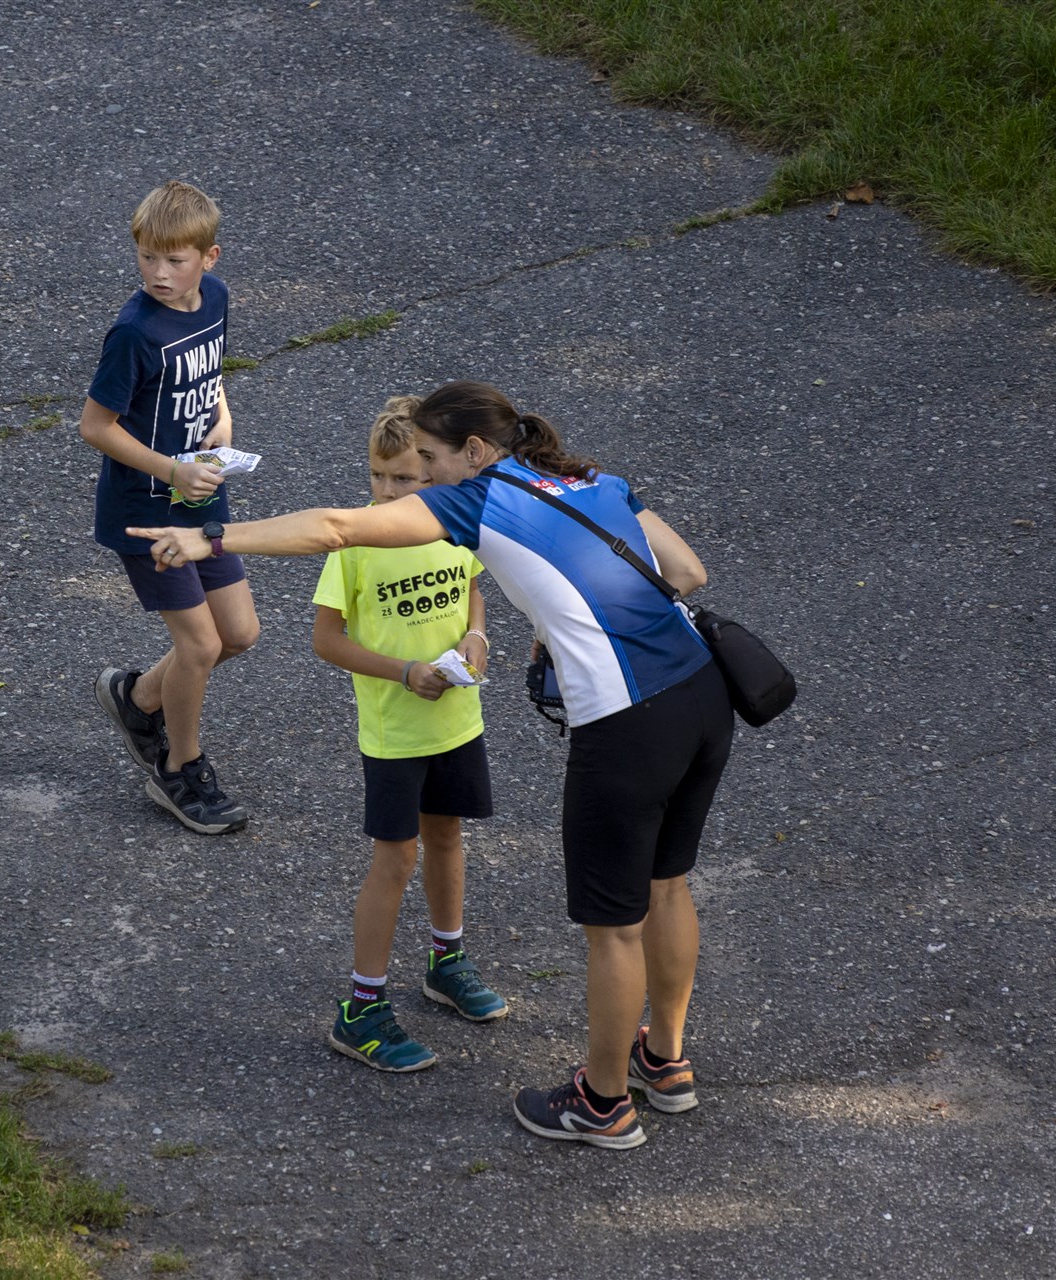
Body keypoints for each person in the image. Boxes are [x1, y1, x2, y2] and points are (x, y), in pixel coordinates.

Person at [130, 380, 733, 1150]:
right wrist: (565, 624)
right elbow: (687, 572)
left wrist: (211, 539)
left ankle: (603, 1105)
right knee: (668, 884)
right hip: (701, 698)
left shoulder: (476, 499)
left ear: (475, 453)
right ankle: (666, 1063)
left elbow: (339, 527)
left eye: (433, 459)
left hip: (628, 727)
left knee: (614, 929)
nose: (427, 474)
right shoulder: (590, 479)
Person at [313, 397, 505, 1074]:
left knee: (449, 835)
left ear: (434, 478)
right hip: (395, 732)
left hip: (456, 719)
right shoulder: (357, 540)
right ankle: (361, 1009)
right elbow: (326, 639)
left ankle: (446, 963)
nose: (389, 492)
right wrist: (403, 670)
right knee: (394, 861)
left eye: (406, 479)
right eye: (379, 476)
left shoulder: (455, 525)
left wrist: (477, 635)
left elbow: (474, 588)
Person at [81, 179, 259, 835]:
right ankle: (179, 771)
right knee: (200, 644)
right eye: (147, 258)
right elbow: (95, 426)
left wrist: (222, 412)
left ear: (209, 258)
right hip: (147, 508)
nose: (159, 273)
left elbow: (209, 372)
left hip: (202, 493)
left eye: (175, 260)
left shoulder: (215, 298)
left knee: (238, 635)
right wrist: (170, 469)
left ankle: (138, 698)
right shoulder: (133, 333)